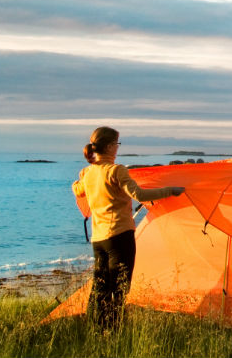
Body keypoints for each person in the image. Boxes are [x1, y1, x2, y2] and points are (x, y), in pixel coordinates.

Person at [74, 126, 184, 331]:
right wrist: (170, 190)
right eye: (117, 143)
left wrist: (81, 178)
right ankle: (113, 331)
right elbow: (139, 195)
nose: (118, 147)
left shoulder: (88, 173)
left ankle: (96, 329)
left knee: (100, 286)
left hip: (99, 240)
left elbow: (77, 189)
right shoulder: (116, 171)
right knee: (119, 288)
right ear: (109, 147)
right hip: (120, 236)